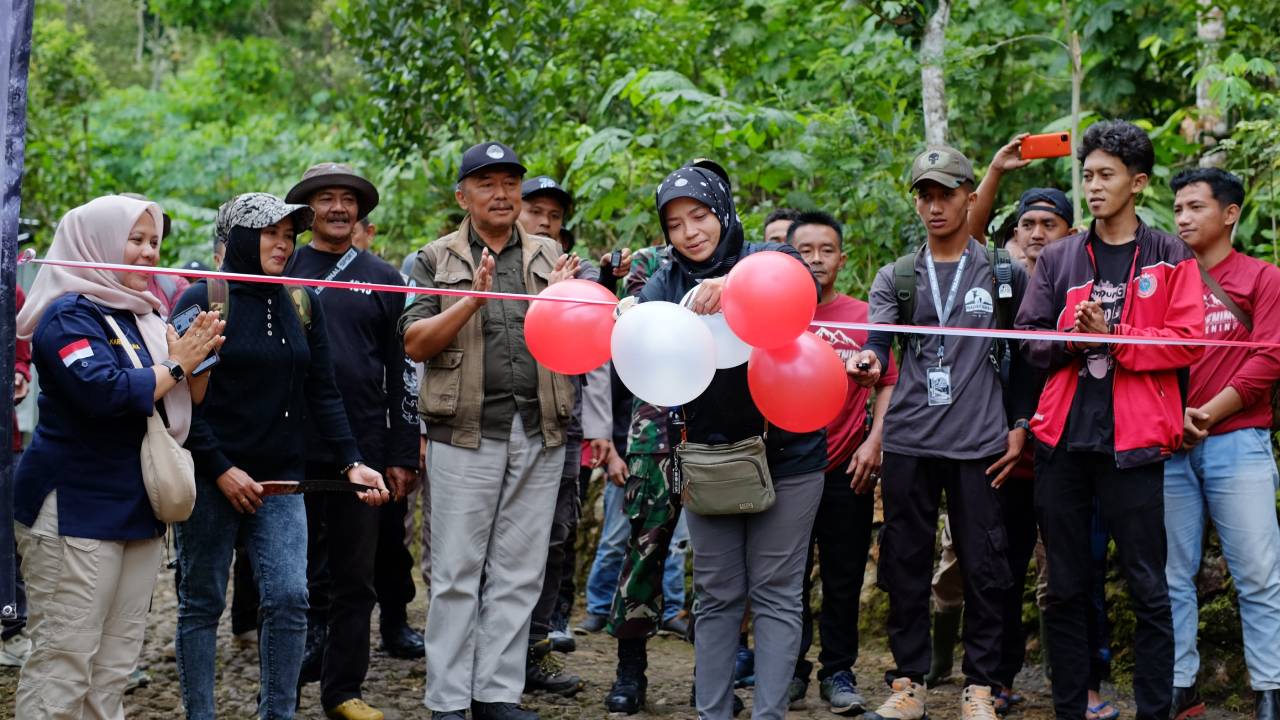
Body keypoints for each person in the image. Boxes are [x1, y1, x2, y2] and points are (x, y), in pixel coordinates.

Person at [171, 192, 389, 720]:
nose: (283, 244)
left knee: (291, 598)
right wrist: (221, 470)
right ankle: (200, 712)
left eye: (289, 236)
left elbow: (323, 390)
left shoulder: (299, 301)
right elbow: (179, 403)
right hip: (210, 479)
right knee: (202, 602)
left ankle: (279, 712)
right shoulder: (201, 299)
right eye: (270, 233)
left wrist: (350, 461)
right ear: (242, 237)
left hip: (281, 480)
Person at [1015, 119, 1204, 720]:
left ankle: (1154, 710)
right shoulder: (1062, 256)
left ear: (1137, 183)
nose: (1093, 188)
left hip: (1138, 443)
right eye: (1087, 176)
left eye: (1106, 176)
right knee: (1065, 587)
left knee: (1149, 587)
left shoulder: (1171, 255)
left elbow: (1186, 342)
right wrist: (1072, 340)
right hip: (1063, 441)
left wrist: (1115, 337)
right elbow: (1026, 337)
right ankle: (1070, 708)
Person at [628, 163, 827, 720]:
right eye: (674, 224)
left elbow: (800, 281)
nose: (690, 232)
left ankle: (768, 714)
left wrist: (734, 285)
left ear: (723, 211)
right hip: (708, 456)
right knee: (715, 595)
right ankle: (712, 712)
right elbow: (646, 356)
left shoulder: (770, 257)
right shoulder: (664, 282)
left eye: (700, 215)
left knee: (777, 593)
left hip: (791, 455)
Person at [12, 195, 223, 719]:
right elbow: (103, 390)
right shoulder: (67, 314)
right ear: (97, 243)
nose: (150, 253)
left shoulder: (145, 315)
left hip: (138, 506)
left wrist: (199, 359)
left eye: (154, 242)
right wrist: (176, 365)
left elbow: (185, 398)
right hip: (75, 508)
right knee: (64, 660)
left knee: (114, 665)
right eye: (136, 240)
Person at [850, 145, 1036, 720]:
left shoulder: (1004, 273)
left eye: (945, 194)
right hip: (908, 438)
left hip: (981, 440)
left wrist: (1022, 425)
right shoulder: (897, 275)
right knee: (905, 562)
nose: (934, 206)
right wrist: (866, 364)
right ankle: (908, 684)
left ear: (968, 197)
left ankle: (980, 688)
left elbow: (1030, 356)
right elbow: (877, 347)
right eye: (924, 195)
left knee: (985, 564)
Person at [400, 141, 578, 720]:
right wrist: (471, 300)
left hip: (540, 425)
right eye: (486, 183)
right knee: (455, 571)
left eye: (510, 183)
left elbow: (582, 343)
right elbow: (414, 342)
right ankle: (448, 699)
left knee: (521, 570)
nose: (502, 194)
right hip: (465, 431)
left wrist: (571, 303)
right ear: (462, 195)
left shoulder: (551, 253)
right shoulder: (433, 258)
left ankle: (496, 693)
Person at [285, 163, 421, 720]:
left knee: (354, 578)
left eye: (348, 199)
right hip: (289, 445)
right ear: (308, 209)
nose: (338, 208)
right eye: (326, 199)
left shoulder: (385, 276)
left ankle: (343, 691)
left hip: (364, 447)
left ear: (360, 211)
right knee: (288, 578)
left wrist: (402, 451)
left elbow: (403, 371)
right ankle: (281, 688)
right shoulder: (281, 267)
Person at [1165, 167, 1280, 720]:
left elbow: (1271, 357)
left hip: (1239, 441)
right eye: (1178, 209)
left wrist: (1206, 414)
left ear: (1229, 214)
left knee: (1258, 573)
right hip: (1168, 446)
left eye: (1195, 207)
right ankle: (1180, 686)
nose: (1183, 218)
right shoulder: (1164, 281)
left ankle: (1270, 692)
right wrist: (1172, 418)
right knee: (1171, 574)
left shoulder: (1262, 278)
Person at [786, 210, 897, 714]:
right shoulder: (773, 311)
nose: (815, 259)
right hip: (785, 466)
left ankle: (839, 672)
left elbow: (889, 379)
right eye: (805, 250)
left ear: (842, 258)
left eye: (825, 250)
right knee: (785, 578)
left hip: (846, 465)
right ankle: (788, 670)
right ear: (789, 256)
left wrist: (875, 440)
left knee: (844, 574)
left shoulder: (863, 314)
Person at [515, 174, 613, 694]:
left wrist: (599, 426)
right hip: (502, 421)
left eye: (555, 216)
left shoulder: (584, 273)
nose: (547, 223)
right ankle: (488, 650)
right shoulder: (500, 266)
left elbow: (596, 353)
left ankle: (535, 649)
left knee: (554, 537)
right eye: (537, 212)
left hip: (565, 422)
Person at [601, 244, 697, 715]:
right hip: (656, 429)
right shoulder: (650, 262)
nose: (691, 227)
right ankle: (630, 670)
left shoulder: (742, 265)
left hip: (721, 430)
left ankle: (713, 675)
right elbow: (642, 325)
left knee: (722, 562)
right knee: (645, 548)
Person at [1, 287, 32, 669]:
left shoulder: (11, 288)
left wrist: (20, 374)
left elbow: (21, 349)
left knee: (8, 536)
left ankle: (12, 630)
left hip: (4, 438)